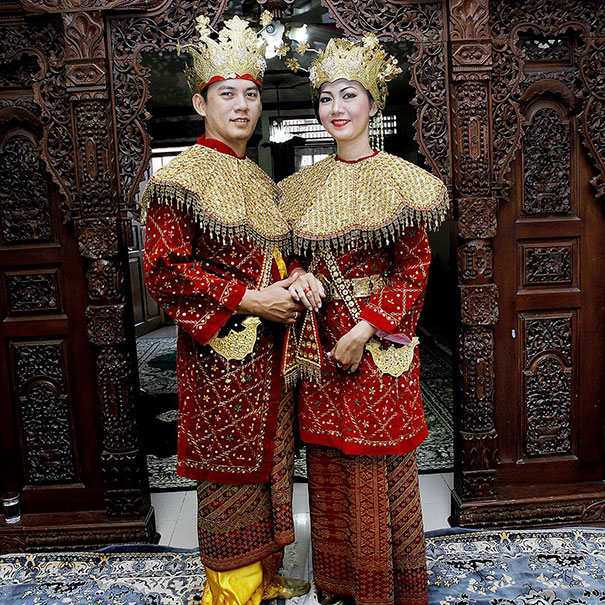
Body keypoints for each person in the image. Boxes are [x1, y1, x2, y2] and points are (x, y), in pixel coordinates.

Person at [142, 13, 312, 605]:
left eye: (250, 94)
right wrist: (251, 299)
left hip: (273, 355)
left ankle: (265, 576)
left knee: (272, 462)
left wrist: (295, 279)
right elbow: (165, 269)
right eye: (227, 94)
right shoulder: (181, 178)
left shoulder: (259, 180)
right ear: (200, 102)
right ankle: (231, 590)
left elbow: (274, 255)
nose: (241, 106)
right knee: (229, 471)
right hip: (221, 357)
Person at [280, 35, 449, 605]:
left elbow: (414, 269)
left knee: (380, 463)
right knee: (328, 464)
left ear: (373, 104)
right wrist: (299, 276)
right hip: (321, 345)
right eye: (326, 97)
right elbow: (291, 258)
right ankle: (338, 586)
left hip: (376, 344)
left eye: (349, 94)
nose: (337, 108)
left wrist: (364, 329)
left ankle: (388, 587)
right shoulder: (299, 190)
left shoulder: (403, 181)